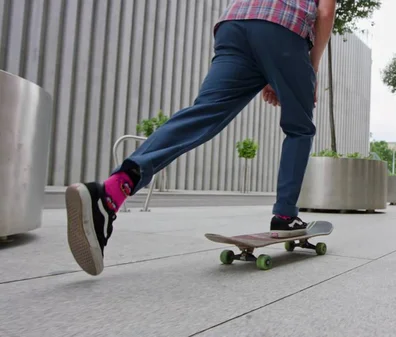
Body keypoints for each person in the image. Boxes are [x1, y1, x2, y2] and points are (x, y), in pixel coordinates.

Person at [63, 0, 337, 276]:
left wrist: (272, 70)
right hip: (283, 27)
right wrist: (309, 67)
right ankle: (285, 215)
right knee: (299, 127)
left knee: (203, 113)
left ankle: (112, 191)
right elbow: (325, 12)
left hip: (234, 24)